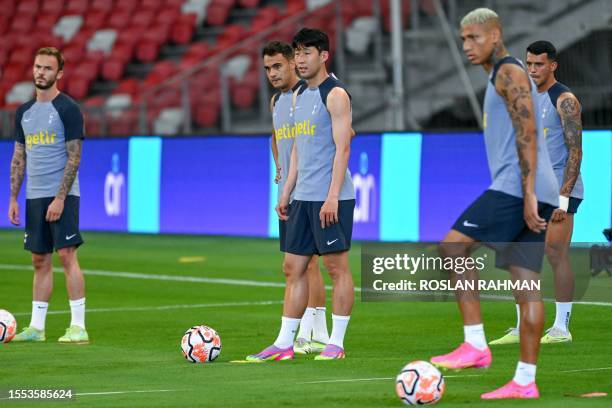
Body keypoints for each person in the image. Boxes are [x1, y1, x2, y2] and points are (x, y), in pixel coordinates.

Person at [429, 9, 559, 399]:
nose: (467, 45)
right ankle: (524, 382)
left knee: (452, 246)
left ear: (496, 35)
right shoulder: (501, 74)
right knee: (526, 286)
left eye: (474, 38)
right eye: (463, 39)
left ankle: (475, 345)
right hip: (538, 189)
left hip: (519, 187)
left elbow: (528, 129)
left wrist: (529, 192)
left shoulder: (507, 72)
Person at [247, 28, 355, 361]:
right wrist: (286, 191)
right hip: (302, 196)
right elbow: (295, 151)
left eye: (306, 53)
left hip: (329, 197)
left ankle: (334, 342)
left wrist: (333, 195)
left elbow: (344, 146)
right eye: (297, 53)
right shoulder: (296, 97)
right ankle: (284, 344)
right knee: (293, 268)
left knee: (337, 269)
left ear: (323, 55)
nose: (300, 60)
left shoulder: (335, 94)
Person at [490, 40, 584, 345]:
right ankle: (521, 327)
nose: (532, 70)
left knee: (556, 255)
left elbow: (575, 151)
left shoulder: (564, 99)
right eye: (528, 64)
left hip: (559, 187)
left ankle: (561, 328)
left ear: (553, 65)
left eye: (539, 64)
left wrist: (564, 198)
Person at [8, 47, 88, 344]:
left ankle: (78, 327)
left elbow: (74, 157)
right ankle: (37, 328)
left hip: (61, 196)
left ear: (59, 74)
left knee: (67, 256)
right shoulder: (23, 113)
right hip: (33, 197)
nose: (41, 72)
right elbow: (19, 157)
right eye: (38, 67)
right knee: (39, 260)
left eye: (47, 68)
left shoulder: (67, 109)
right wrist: (14, 198)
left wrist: (60, 198)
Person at [263, 40, 329, 354]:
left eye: (277, 66)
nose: (272, 73)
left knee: (309, 264)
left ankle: (317, 332)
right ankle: (309, 332)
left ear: (293, 63)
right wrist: (280, 164)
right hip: (289, 191)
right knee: (295, 266)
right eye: (267, 68)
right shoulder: (277, 101)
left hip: (312, 190)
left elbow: (344, 134)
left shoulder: (313, 95)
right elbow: (275, 137)